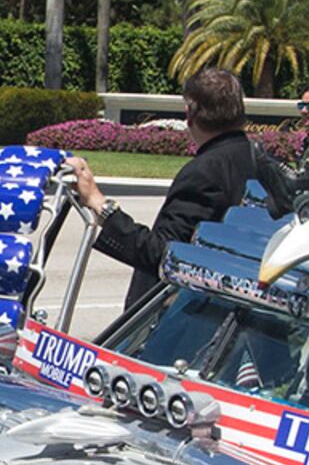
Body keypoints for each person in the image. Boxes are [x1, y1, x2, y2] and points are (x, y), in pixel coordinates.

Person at [68, 64, 269, 315]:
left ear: (190, 112)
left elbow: (165, 255)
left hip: (183, 322)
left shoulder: (204, 172)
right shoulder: (258, 160)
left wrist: (100, 204)